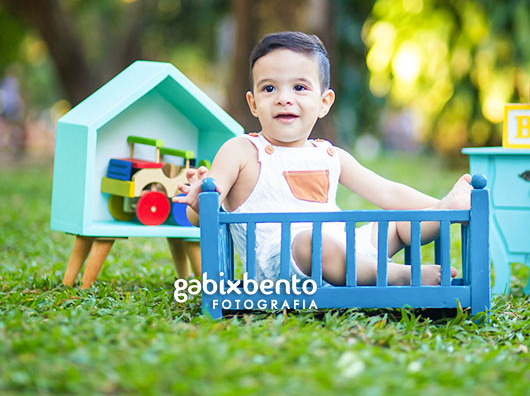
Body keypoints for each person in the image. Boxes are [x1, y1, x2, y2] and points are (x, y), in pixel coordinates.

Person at [174, 31, 473, 286]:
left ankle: (448, 210)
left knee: (395, 223)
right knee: (312, 241)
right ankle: (397, 276)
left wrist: (435, 206)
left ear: (324, 102)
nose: (284, 98)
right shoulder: (240, 150)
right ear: (253, 103)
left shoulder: (330, 155)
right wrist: (201, 201)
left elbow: (388, 191)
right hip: (286, 263)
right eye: (269, 88)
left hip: (346, 251)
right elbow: (199, 217)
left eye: (300, 87)